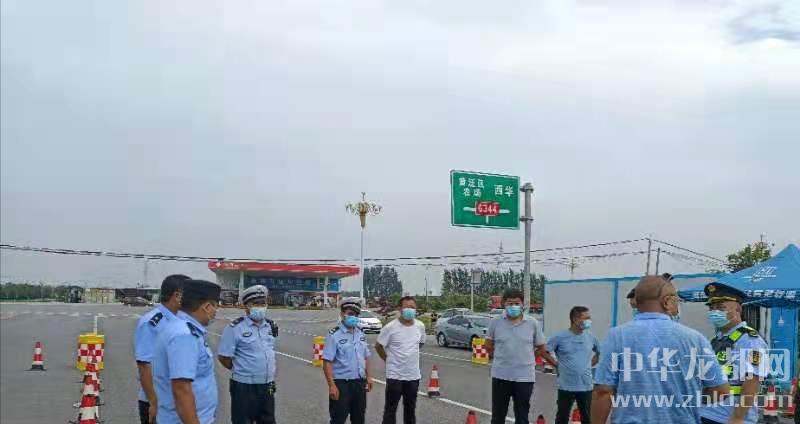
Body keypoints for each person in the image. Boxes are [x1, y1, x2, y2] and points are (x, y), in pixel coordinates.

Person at [592, 274, 730, 424]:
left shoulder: (616, 336)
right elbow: (721, 390)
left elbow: (603, 392)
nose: (678, 303)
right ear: (667, 301)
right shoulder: (696, 339)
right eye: (676, 299)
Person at [152, 279, 221, 424]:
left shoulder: (181, 328)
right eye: (216, 306)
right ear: (207, 306)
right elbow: (181, 389)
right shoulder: (184, 335)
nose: (216, 312)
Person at [700, 282, 768, 424]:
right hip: (708, 413)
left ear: (738, 309)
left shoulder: (750, 340)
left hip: (728, 418)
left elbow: (752, 383)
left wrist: (737, 418)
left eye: (721, 308)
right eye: (711, 308)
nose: (715, 312)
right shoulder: (716, 340)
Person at [485, 288, 556, 424]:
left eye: (517, 303)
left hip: (525, 377)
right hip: (501, 375)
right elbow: (488, 345)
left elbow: (541, 347)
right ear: (504, 304)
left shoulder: (532, 323)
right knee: (498, 416)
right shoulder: (495, 322)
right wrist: (502, 357)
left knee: (522, 416)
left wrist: (527, 357)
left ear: (523, 304)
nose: (514, 306)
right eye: (510, 303)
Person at [218, 285, 279, 424]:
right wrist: (242, 369)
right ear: (246, 306)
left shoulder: (270, 326)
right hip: (244, 386)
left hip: (268, 384)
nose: (260, 307)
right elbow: (224, 357)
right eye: (255, 304)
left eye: (263, 303)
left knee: (268, 420)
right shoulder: (235, 328)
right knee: (243, 421)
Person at [134, 274, 190, 424]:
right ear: (177, 295)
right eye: (190, 294)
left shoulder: (182, 320)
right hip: (157, 401)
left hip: (177, 400)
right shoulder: (152, 323)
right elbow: (144, 365)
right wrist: (153, 402)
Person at [375, 296, 426, 424]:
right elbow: (378, 346)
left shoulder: (420, 326)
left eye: (412, 307)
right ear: (400, 309)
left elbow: (420, 343)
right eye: (407, 307)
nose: (410, 310)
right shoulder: (390, 327)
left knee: (410, 409)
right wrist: (388, 359)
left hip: (413, 376)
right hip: (395, 376)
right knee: (390, 409)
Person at [322, 297, 373, 424]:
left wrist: (369, 377)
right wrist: (332, 386)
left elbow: (366, 356)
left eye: (356, 314)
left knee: (359, 418)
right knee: (338, 419)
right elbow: (327, 362)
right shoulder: (334, 335)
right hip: (341, 384)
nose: (353, 317)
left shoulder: (360, 333)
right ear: (342, 314)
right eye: (350, 314)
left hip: (359, 383)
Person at [547, 306, 599, 424]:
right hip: (566, 386)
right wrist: (556, 364)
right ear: (575, 319)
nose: (589, 321)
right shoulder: (560, 337)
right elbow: (544, 351)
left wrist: (588, 365)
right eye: (586, 318)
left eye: (589, 318)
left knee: (587, 418)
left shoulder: (590, 337)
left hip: (586, 386)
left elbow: (599, 353)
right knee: (562, 417)